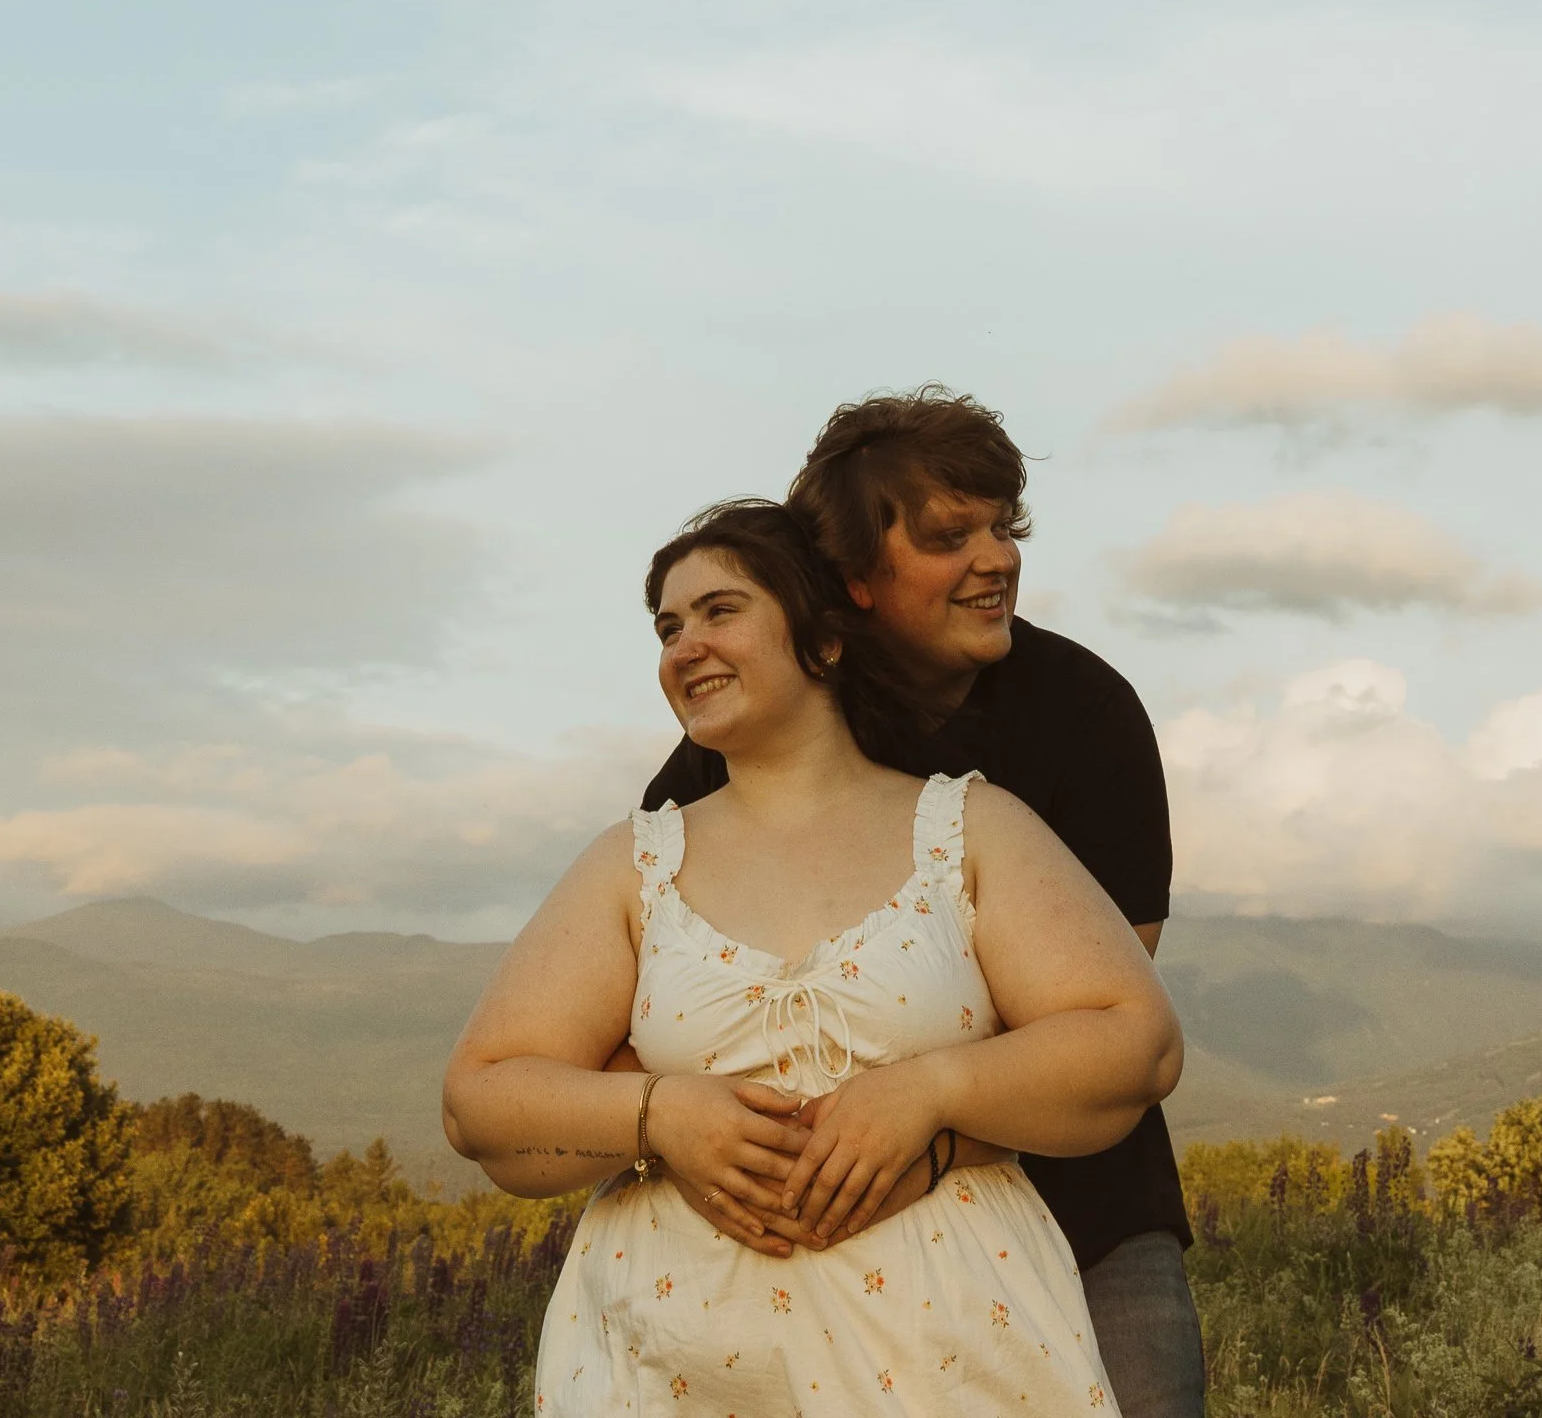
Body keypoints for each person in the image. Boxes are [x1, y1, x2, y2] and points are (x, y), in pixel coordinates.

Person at [444, 500, 1183, 1415]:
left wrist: (928, 1093)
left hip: (948, 1360)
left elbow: (1135, 1040)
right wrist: (658, 1113)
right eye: (668, 628)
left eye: (720, 612)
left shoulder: (969, 828)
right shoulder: (635, 863)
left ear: (825, 642)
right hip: (670, 1364)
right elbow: (480, 1099)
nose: (683, 647)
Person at [642, 390, 1206, 1418]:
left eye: (1004, 527)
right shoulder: (725, 762)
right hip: (827, 1239)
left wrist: (932, 1125)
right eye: (952, 536)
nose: (996, 557)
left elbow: (1106, 1014)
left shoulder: (1086, 713)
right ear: (851, 581)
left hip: (1083, 1208)